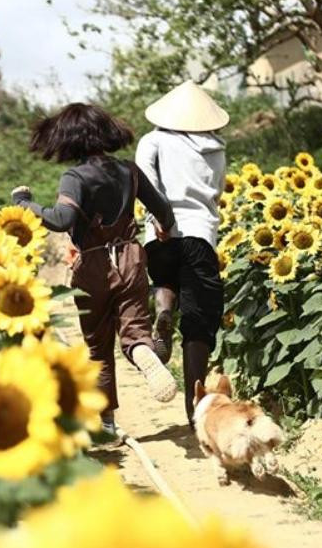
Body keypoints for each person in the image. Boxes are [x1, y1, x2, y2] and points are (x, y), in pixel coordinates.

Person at [12, 102, 179, 434]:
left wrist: (24, 203)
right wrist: (162, 229)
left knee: (98, 346)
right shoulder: (129, 170)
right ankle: (144, 352)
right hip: (131, 258)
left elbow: (61, 221)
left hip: (94, 265)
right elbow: (164, 210)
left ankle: (107, 421)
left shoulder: (75, 177)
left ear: (69, 140)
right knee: (134, 331)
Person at [135, 81, 228, 426]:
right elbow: (216, 192)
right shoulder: (216, 147)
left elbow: (144, 183)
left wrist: (162, 219)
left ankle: (163, 309)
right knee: (199, 323)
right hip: (200, 235)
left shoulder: (153, 140)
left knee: (163, 277)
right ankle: (194, 410)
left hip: (161, 235)